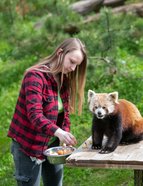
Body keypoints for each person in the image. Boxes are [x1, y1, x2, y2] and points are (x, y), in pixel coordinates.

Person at [7, 38, 87, 186]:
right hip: (28, 144)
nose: (73, 68)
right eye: (72, 61)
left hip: (52, 144)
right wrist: (59, 132)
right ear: (60, 53)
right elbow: (35, 115)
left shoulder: (63, 78)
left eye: (77, 65)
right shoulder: (35, 77)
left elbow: (65, 113)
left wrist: (64, 134)